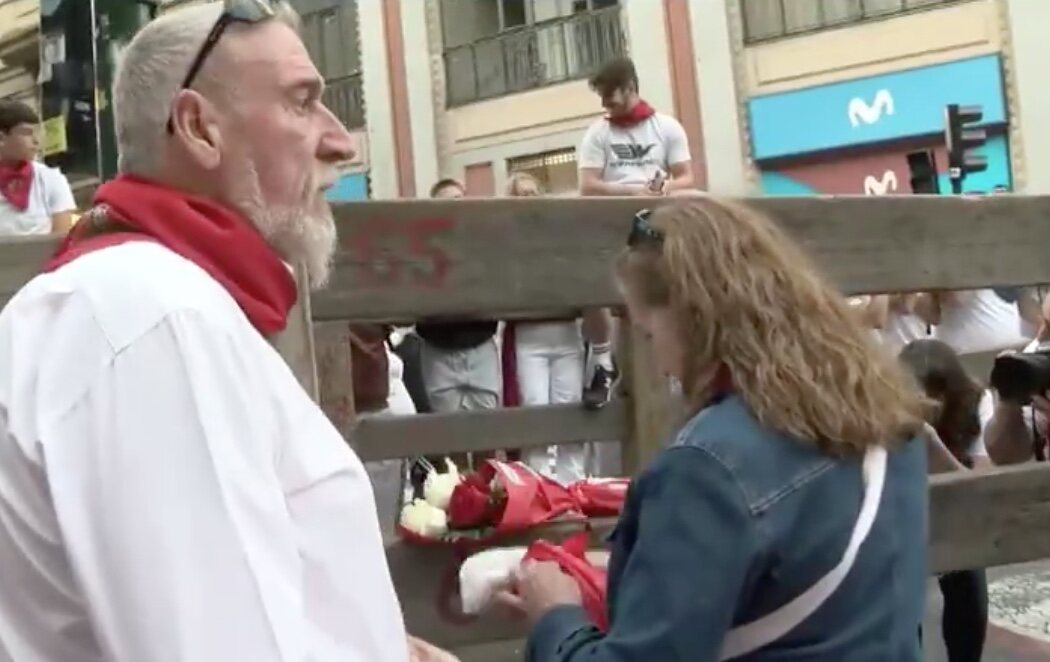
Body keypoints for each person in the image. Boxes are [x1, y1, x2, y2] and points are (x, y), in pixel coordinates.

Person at [0, 3, 455, 660]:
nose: (340, 141)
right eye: (302, 103)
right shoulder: (158, 320)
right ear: (198, 128)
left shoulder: (143, 302)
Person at [499, 199, 929, 660]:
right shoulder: (887, 413)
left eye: (648, 333)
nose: (660, 361)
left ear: (693, 321)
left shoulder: (707, 468)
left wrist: (555, 615)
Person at [576, 56, 694, 410]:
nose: (606, 107)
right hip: (611, 221)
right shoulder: (598, 132)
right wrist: (630, 191)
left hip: (657, 219)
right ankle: (602, 358)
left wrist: (664, 188)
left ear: (630, 88)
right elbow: (588, 185)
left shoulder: (667, 127)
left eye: (611, 98)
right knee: (598, 286)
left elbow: (687, 176)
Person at [899, 339, 991, 662]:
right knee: (902, 607)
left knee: (970, 607)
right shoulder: (885, 409)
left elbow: (984, 484)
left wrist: (932, 446)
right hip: (905, 513)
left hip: (959, 510)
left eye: (936, 394)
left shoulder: (977, 402)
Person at [502, 172, 589, 482]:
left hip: (566, 333)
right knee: (535, 411)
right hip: (529, 337)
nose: (527, 199)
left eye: (532, 192)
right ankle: (536, 485)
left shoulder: (560, 236)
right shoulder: (507, 242)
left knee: (570, 412)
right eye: (519, 194)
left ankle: (573, 484)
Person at [0, 99, 76, 236]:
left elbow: (61, 238)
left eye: (36, 132)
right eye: (27, 133)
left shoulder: (51, 179)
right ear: (1, 139)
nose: (36, 141)